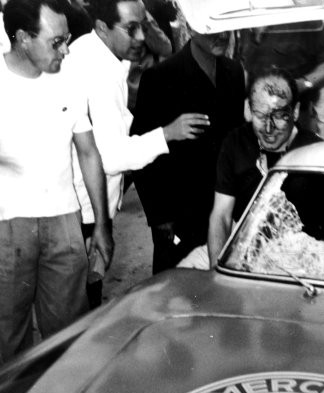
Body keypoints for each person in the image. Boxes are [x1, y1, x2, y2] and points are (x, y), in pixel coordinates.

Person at [64, 0, 208, 305]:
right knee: (82, 304)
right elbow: (113, 157)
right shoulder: (98, 71)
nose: (141, 37)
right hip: (85, 208)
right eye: (132, 29)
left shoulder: (96, 52)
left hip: (83, 202)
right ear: (102, 27)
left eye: (143, 26)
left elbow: (117, 124)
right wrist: (167, 133)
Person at [0, 0, 113, 362]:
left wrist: (102, 224)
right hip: (6, 225)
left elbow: (89, 152)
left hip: (64, 221)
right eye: (56, 42)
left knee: (68, 341)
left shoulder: (69, 79)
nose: (65, 50)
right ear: (22, 39)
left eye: (67, 40)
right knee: (7, 340)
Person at [206, 68, 324, 269]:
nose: (268, 129)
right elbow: (221, 215)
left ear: (295, 112)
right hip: (251, 255)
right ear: (248, 110)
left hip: (308, 263)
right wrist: (214, 272)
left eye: (279, 116)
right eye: (260, 115)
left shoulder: (316, 152)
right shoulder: (235, 143)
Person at [131, 28, 246, 273]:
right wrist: (160, 218)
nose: (221, 36)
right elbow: (140, 151)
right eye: (210, 29)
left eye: (224, 28)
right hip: (179, 212)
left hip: (225, 206)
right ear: (191, 26)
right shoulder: (159, 77)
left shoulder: (234, 72)